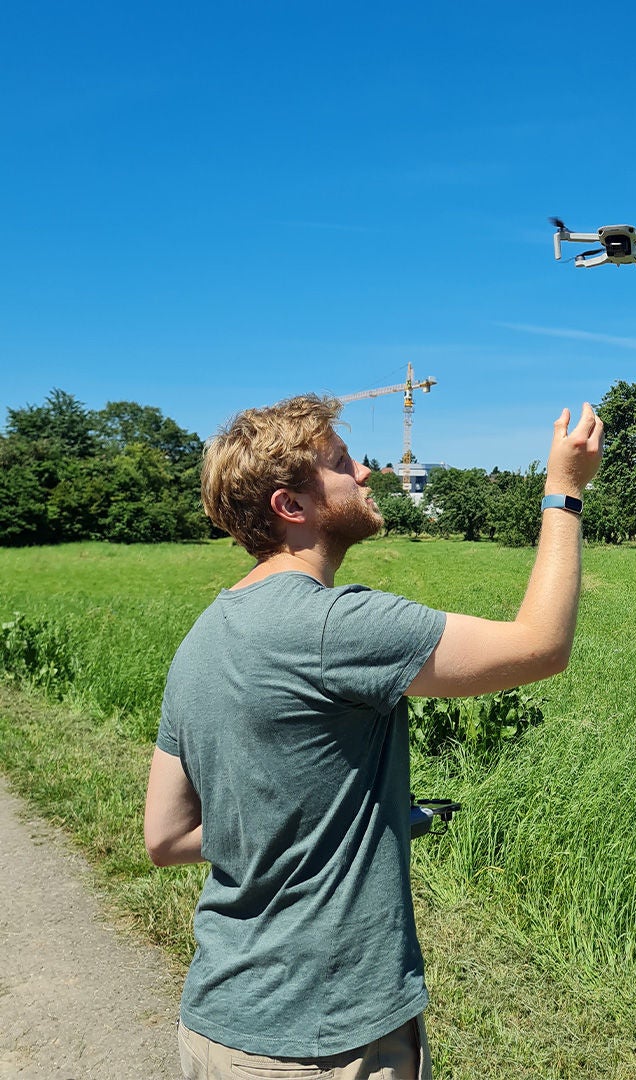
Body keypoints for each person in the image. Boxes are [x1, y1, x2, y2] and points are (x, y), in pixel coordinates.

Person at [143, 393, 603, 1079]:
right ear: (290, 506)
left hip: (217, 1028)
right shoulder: (336, 624)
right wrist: (563, 495)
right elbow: (541, 647)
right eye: (340, 464)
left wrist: (344, 819)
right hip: (324, 1043)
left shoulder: (203, 637)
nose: (364, 474)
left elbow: (166, 837)